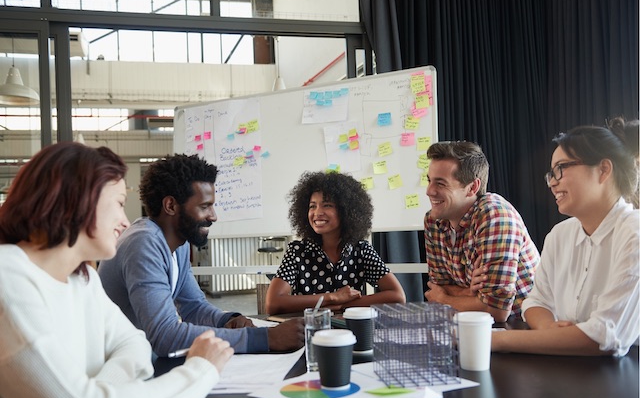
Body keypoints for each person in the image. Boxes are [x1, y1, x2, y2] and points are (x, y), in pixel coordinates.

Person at [0, 143, 233, 398]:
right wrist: (200, 370)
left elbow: (135, 344)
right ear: (78, 201)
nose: (125, 221)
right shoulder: (9, 277)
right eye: (119, 204)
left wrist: (98, 394)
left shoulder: (81, 279)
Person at [98, 154, 303, 356]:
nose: (213, 216)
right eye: (204, 206)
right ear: (171, 206)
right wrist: (266, 338)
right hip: (115, 367)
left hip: (136, 359)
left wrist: (228, 320)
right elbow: (164, 336)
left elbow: (193, 307)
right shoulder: (144, 242)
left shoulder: (178, 244)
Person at [491, 121, 639, 356]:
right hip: (570, 369)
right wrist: (550, 328)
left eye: (561, 168)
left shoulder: (634, 233)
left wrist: (497, 340)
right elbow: (535, 302)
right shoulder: (560, 235)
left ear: (603, 170)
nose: (552, 182)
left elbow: (603, 337)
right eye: (551, 173)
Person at [423, 141, 540, 322]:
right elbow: (436, 288)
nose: (429, 191)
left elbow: (497, 311)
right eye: (429, 180)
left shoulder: (495, 215)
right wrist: (471, 291)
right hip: (470, 324)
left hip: (523, 326)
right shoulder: (434, 220)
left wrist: (445, 299)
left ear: (472, 188)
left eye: (441, 183)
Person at [265, 171, 406, 315]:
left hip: (350, 332)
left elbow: (397, 296)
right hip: (309, 331)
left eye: (327, 205)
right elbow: (273, 303)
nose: (317, 212)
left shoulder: (360, 250)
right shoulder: (298, 251)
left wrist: (341, 305)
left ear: (347, 211)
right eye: (312, 206)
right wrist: (332, 297)